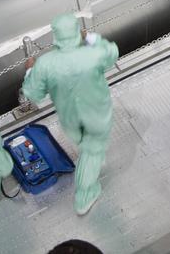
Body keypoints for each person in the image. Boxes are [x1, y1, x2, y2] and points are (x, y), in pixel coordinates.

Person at [21, 13, 119, 216]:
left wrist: (30, 71)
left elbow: (33, 93)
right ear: (77, 33)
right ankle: (84, 196)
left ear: (55, 36)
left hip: (70, 119)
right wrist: (91, 38)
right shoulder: (92, 54)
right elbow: (111, 54)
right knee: (92, 151)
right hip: (96, 114)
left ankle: (91, 158)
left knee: (87, 145)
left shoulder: (46, 63)